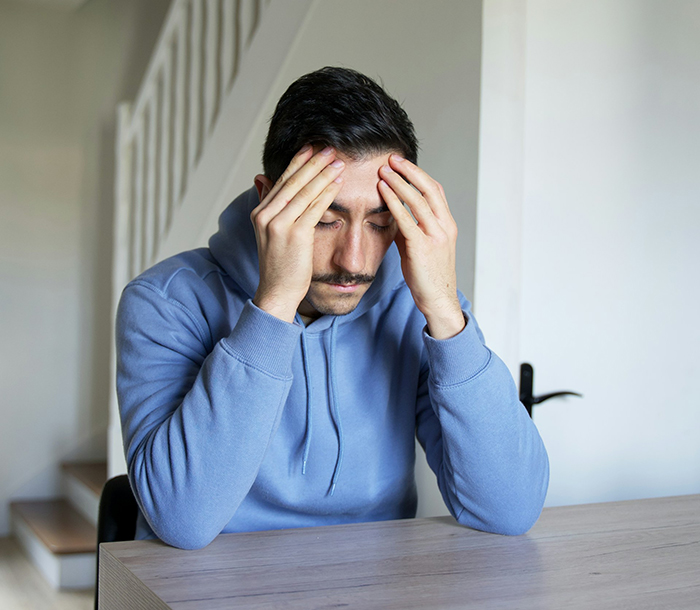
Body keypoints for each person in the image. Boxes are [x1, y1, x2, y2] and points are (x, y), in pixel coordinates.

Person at [116, 67, 549, 550]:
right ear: (267, 200)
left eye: (381, 223)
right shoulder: (164, 303)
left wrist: (446, 310)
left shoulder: (417, 308)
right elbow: (182, 520)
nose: (354, 262)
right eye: (325, 220)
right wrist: (275, 302)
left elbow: (510, 510)